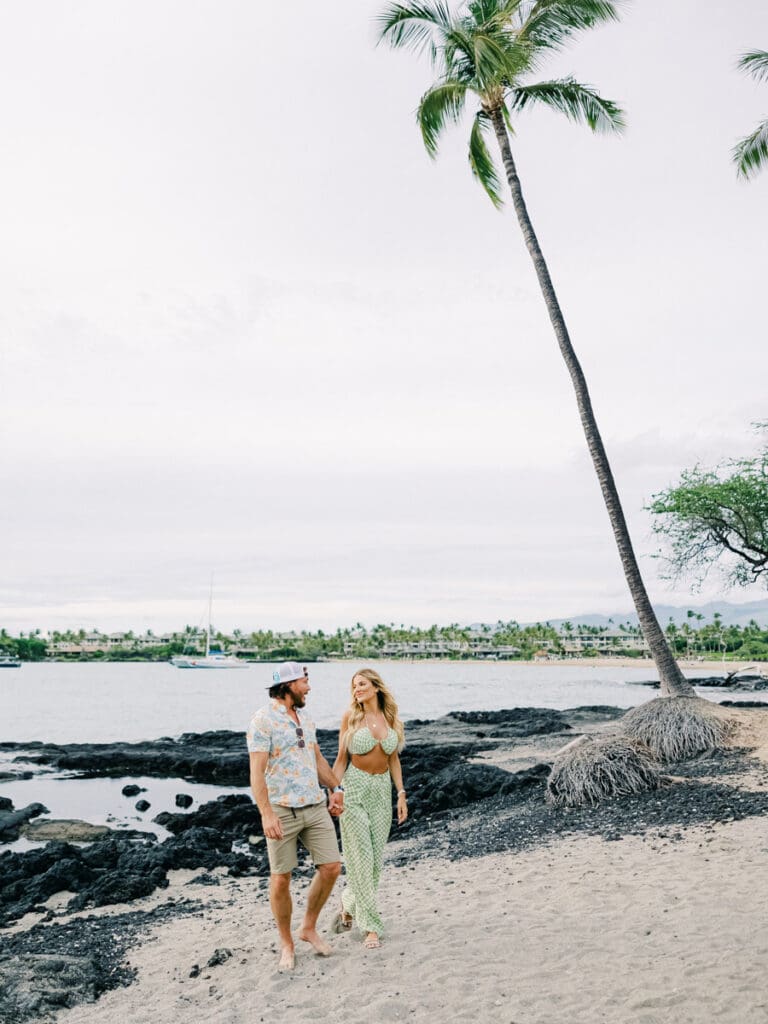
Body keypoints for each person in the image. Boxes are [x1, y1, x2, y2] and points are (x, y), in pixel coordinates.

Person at [247, 661, 345, 971]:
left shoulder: (305, 717)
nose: (309, 687)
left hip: (314, 805)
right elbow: (257, 774)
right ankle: (286, 943)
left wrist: (336, 788)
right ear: (289, 685)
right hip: (281, 809)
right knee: (280, 879)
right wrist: (266, 814)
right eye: (305, 681)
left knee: (331, 867)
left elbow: (315, 759)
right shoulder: (263, 720)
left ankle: (308, 927)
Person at [331, 667, 407, 949]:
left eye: (362, 684)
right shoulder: (351, 717)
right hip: (354, 789)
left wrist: (401, 794)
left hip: (381, 791)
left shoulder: (391, 720)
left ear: (376, 687)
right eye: (354, 686)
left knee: (374, 862)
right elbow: (341, 759)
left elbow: (394, 760)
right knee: (360, 858)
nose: (357, 689)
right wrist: (334, 792)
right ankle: (371, 926)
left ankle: (348, 902)